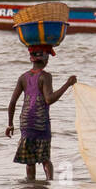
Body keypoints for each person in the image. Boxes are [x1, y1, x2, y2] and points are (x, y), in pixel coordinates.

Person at [5, 45, 76, 181]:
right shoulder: (45, 76)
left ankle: (31, 186)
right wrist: (68, 84)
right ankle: (49, 183)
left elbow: (12, 102)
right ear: (45, 60)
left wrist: (10, 125)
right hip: (40, 122)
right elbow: (49, 99)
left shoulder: (23, 77)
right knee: (45, 159)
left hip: (26, 122)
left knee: (30, 161)